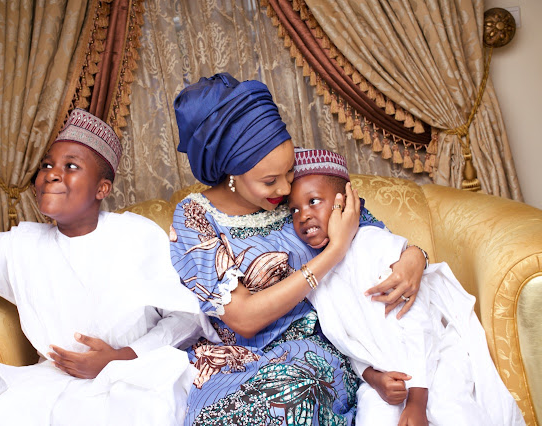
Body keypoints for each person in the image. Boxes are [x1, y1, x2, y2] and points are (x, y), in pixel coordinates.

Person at [0, 97, 215, 426]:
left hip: (139, 379)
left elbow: (186, 317)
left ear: (102, 188)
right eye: (47, 165)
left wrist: (121, 357)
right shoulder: (19, 248)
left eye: (71, 166)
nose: (51, 174)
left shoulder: (138, 235)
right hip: (53, 388)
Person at [169, 73, 427, 425]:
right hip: (234, 363)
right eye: (270, 181)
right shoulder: (195, 218)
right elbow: (244, 318)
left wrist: (416, 257)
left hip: (316, 354)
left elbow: (375, 238)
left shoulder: (303, 188)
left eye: (289, 171)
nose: (285, 188)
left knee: (288, 402)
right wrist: (332, 254)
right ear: (231, 172)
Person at [288, 148, 525, 426]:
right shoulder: (315, 277)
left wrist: (417, 400)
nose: (303, 215)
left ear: (346, 202)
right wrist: (374, 378)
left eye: (313, 201)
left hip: (432, 359)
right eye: (294, 210)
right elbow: (346, 342)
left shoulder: (373, 244)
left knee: (452, 412)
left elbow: (418, 320)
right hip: (383, 376)